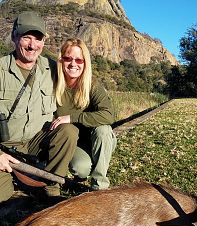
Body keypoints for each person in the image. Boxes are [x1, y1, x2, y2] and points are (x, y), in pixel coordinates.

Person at [0, 11, 79, 202]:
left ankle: (51, 187)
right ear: (14, 37)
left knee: (68, 131)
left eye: (38, 39)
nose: (32, 45)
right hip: (5, 148)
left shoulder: (52, 68)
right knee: (3, 196)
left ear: (44, 41)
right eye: (26, 37)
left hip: (36, 142)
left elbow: (80, 76)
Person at [50, 38, 116, 190]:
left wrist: (72, 118)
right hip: (74, 142)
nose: (73, 64)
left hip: (96, 138)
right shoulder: (52, 83)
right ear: (61, 60)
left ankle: (99, 186)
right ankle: (94, 161)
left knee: (104, 129)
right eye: (68, 58)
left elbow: (108, 115)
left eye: (79, 60)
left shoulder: (92, 86)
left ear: (85, 63)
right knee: (81, 169)